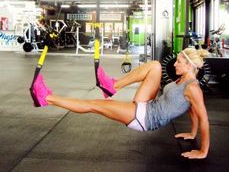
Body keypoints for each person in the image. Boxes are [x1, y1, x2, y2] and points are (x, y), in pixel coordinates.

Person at [31, 47, 210, 159]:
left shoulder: (193, 88)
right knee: (155, 66)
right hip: (148, 105)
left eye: (179, 62)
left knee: (93, 105)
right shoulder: (182, 81)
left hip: (145, 118)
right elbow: (190, 110)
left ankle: (46, 98)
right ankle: (111, 86)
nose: (175, 64)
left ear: (188, 66)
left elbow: (203, 118)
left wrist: (203, 151)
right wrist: (191, 133)